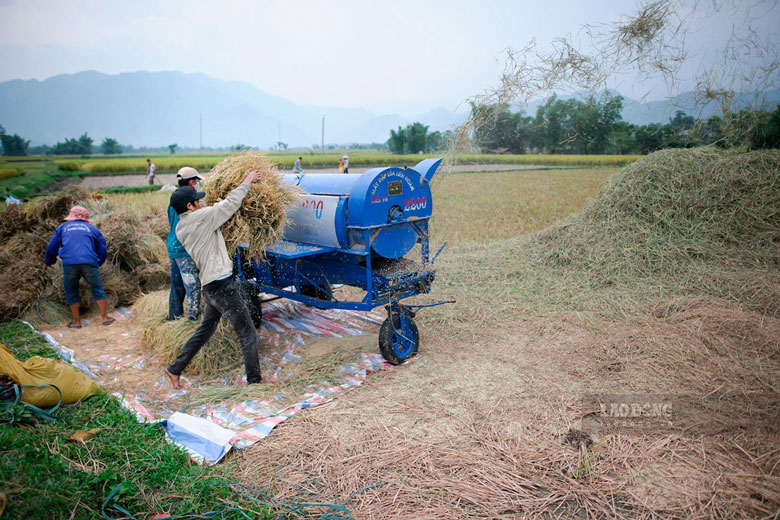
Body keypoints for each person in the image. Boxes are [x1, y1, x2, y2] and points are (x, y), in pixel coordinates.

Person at [164, 169, 264, 389]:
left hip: (209, 287)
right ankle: (255, 382)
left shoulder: (182, 227)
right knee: (247, 332)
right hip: (221, 285)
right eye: (196, 202)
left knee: (204, 331)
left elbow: (214, 214)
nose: (200, 203)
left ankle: (174, 369)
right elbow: (230, 204)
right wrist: (247, 181)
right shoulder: (202, 218)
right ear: (189, 207)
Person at [43, 206, 115, 328]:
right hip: (89, 262)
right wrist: (98, 262)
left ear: (71, 217)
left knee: (71, 290)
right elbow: (102, 247)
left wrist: (48, 262)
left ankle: (76, 322)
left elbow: (51, 247)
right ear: (86, 218)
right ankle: (104, 318)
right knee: (97, 288)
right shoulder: (92, 228)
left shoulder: (62, 228)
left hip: (69, 263)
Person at [167, 166, 204, 321]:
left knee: (177, 286)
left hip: (173, 246)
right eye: (196, 181)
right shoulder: (189, 202)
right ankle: (192, 320)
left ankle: (174, 317)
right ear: (191, 182)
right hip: (184, 248)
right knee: (193, 286)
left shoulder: (173, 200)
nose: (197, 184)